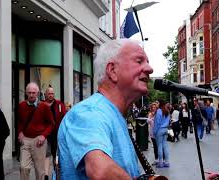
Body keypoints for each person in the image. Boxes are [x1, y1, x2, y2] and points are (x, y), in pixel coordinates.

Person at [57, 39, 153, 179]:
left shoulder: (111, 114)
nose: (150, 69)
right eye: (139, 61)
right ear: (112, 70)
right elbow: (101, 171)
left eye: (147, 62)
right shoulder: (90, 112)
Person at [18, 82, 54, 180]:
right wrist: (20, 132)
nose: (31, 95)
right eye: (29, 92)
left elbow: (51, 124)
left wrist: (43, 136)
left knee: (40, 170)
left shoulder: (44, 106)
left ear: (37, 93)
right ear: (26, 93)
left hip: (39, 141)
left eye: (33, 93)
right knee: (23, 167)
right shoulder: (21, 105)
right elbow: (19, 122)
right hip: (26, 140)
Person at [43, 86, 66, 180]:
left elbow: (64, 118)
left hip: (57, 135)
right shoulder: (42, 105)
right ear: (45, 95)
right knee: (46, 155)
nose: (51, 95)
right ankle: (46, 175)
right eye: (49, 93)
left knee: (56, 157)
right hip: (45, 135)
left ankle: (57, 176)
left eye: (52, 93)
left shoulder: (59, 104)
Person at [153, 100, 170, 168]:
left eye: (158, 103)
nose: (157, 104)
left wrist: (154, 132)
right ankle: (167, 162)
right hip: (166, 129)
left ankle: (160, 162)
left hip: (159, 130)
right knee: (165, 146)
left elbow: (157, 123)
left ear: (160, 104)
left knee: (159, 146)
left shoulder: (159, 111)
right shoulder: (167, 111)